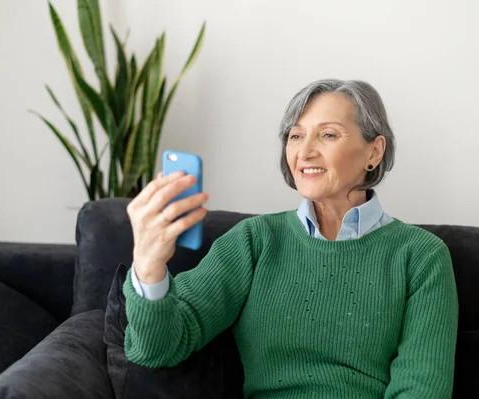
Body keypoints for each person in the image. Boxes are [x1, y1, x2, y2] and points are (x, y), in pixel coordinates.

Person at [124, 79, 459, 398]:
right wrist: (148, 267)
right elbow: (158, 348)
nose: (305, 151)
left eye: (328, 134)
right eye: (296, 136)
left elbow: (422, 388)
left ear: (374, 152)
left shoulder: (421, 256)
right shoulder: (254, 241)